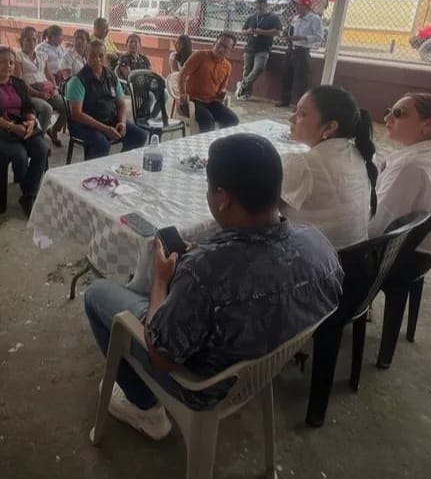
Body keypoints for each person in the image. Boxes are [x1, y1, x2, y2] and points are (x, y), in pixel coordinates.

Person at [83, 133, 342, 439]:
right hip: (263, 369)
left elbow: (161, 356)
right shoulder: (320, 247)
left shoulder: (203, 273)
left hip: (202, 385)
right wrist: (201, 260)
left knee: (96, 293)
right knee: (150, 290)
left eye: (208, 186)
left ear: (222, 197)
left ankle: (145, 408)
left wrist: (162, 281)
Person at [368, 93, 431, 257]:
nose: (387, 118)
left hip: (400, 256)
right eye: (389, 112)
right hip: (425, 250)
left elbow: (375, 229)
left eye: (399, 113)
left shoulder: (411, 167)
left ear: (429, 124)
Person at [280, 86, 377, 249]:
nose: (292, 118)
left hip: (314, 260)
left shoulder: (304, 163)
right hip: (354, 258)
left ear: (329, 127)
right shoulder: (357, 153)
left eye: (302, 114)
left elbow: (259, 212)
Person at [0, 48, 51, 216]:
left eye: (11, 62)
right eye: (3, 62)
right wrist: (13, 127)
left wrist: (31, 121)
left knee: (42, 149)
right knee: (20, 154)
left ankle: (28, 195)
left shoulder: (19, 83)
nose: (8, 66)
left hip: (21, 125)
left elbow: (27, 107)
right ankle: (29, 193)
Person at [65, 40, 148, 159]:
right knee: (101, 143)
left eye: (101, 55)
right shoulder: (77, 81)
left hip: (109, 120)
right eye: (92, 55)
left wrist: (122, 123)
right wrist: (105, 129)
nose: (97, 59)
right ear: (85, 56)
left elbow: (121, 104)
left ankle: (122, 164)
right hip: (84, 125)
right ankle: (95, 171)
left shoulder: (111, 76)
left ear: (105, 57)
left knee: (139, 135)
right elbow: (76, 114)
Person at [15, 26, 67, 147]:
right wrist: (38, 94)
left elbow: (48, 75)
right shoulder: (18, 56)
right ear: (22, 40)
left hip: (46, 90)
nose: (31, 42)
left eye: (34, 39)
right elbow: (20, 82)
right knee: (46, 109)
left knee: (66, 105)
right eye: (28, 39)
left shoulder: (41, 55)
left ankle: (54, 130)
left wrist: (54, 88)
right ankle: (38, 141)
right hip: (29, 92)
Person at [179, 33, 240, 132]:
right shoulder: (200, 56)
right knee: (207, 120)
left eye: (225, 47)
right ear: (214, 43)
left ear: (231, 50)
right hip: (192, 101)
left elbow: (221, 89)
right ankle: (205, 141)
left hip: (211, 102)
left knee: (233, 120)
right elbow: (182, 74)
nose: (220, 49)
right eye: (219, 44)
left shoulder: (227, 66)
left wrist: (222, 95)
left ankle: (222, 140)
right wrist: (182, 94)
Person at [279, 0, 323, 109]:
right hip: (291, 49)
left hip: (302, 51)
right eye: (297, 5)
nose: (297, 7)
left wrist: (303, 38)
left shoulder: (314, 19)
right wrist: (287, 36)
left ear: (306, 7)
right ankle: (285, 101)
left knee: (301, 80)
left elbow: (319, 37)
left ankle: (300, 105)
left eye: (300, 5)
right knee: (287, 75)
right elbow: (291, 31)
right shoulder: (296, 18)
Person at [237, 0, 282, 99]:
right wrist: (249, 31)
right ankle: (245, 93)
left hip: (263, 48)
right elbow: (243, 31)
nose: (258, 6)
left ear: (265, 4)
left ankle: (243, 84)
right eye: (257, 4)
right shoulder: (252, 17)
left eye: (260, 4)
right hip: (250, 47)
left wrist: (261, 32)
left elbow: (277, 32)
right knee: (247, 70)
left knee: (259, 68)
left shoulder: (273, 17)